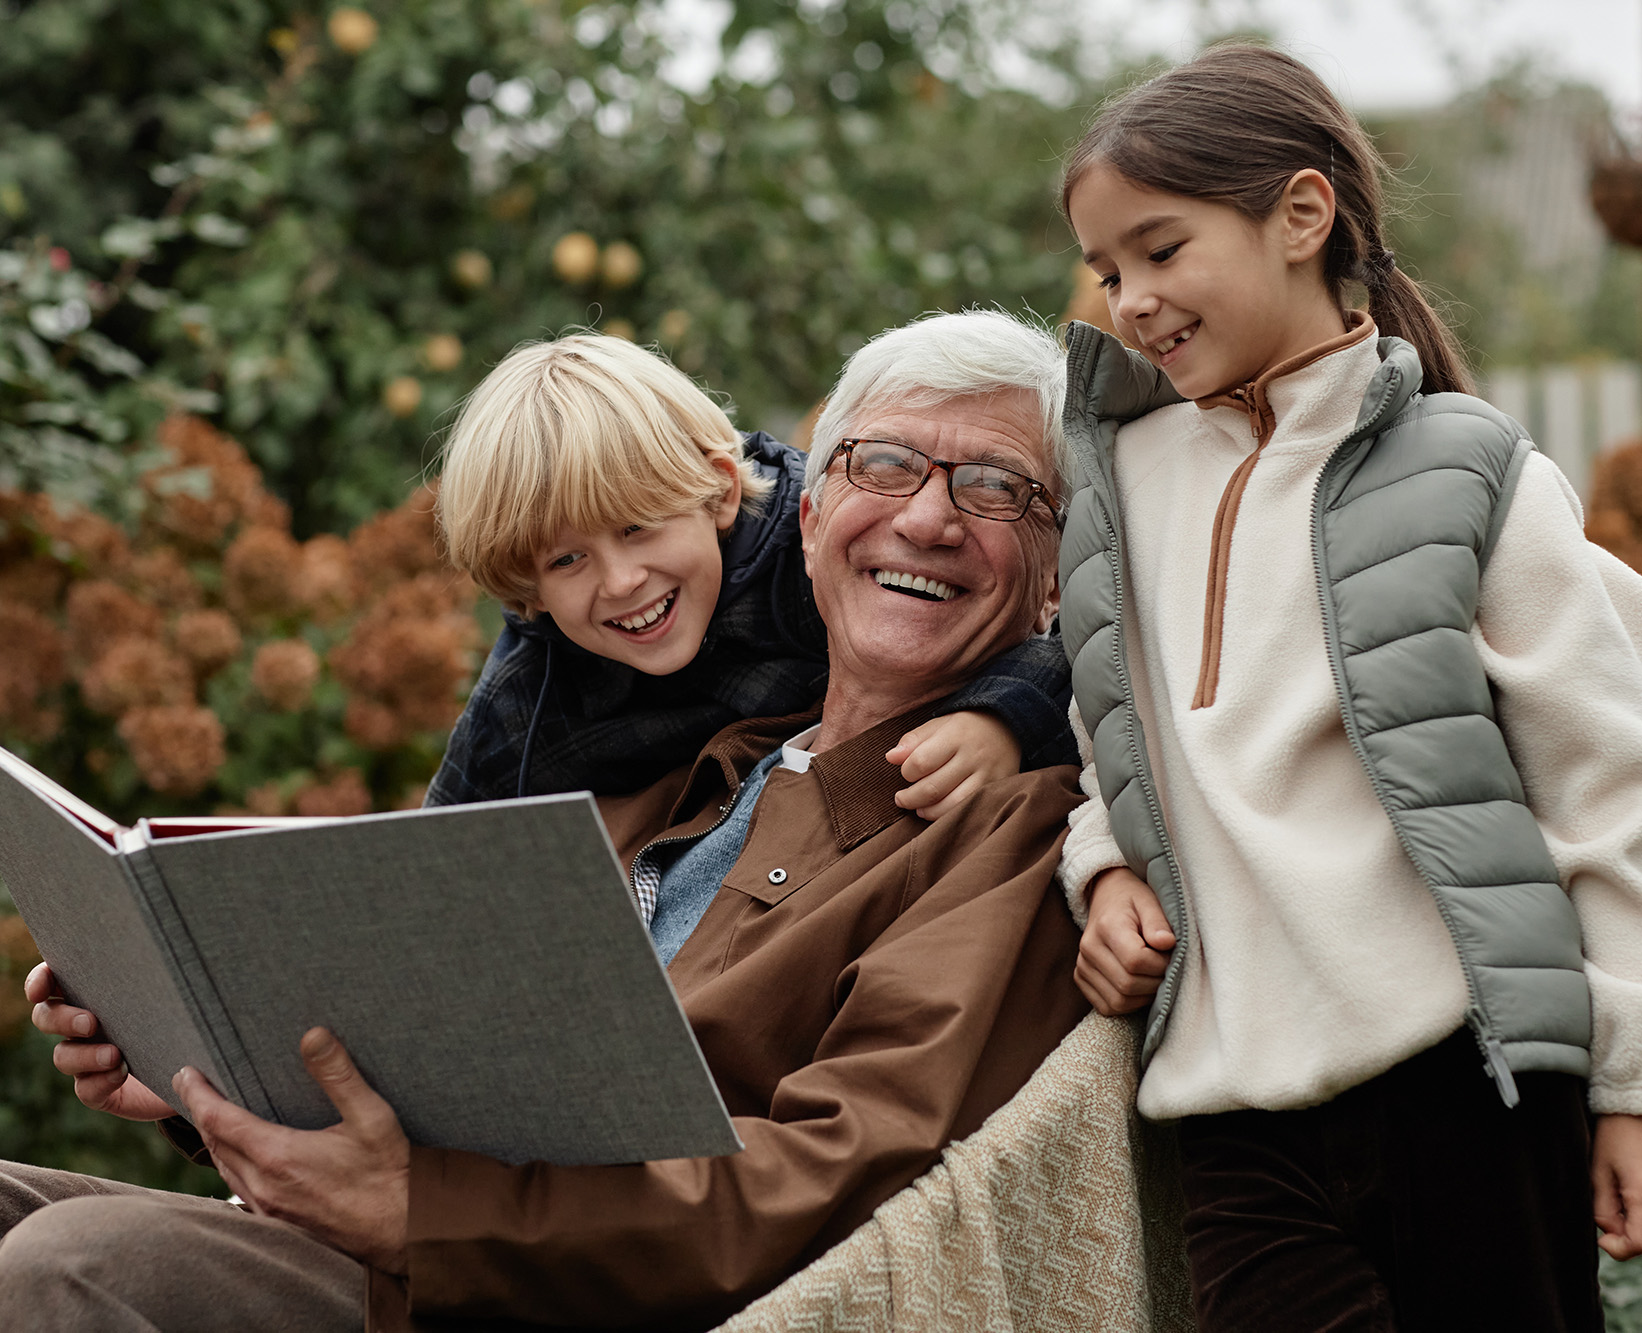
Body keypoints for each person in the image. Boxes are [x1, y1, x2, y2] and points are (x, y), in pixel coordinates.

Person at [7, 310, 1091, 1331]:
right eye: (885, 464)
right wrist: (202, 1073)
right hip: (403, 1236)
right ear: (808, 512)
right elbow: (437, 1036)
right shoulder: (684, 761)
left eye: (1000, 489)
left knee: (72, 1265)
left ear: (1058, 573)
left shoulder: (1009, 825)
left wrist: (421, 1212)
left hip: (523, 1286)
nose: (928, 515)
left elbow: (842, 1171)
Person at [1053, 42, 1642, 1332]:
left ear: (1301, 217)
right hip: (1229, 1106)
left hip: (1471, 1086)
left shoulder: (1473, 469)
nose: (1131, 299)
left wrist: (1626, 1082)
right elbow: (1108, 739)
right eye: (1108, 272)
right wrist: (1101, 865)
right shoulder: (1122, 484)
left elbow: (1602, 793)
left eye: (1160, 249)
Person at [425, 333, 1079, 819]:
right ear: (529, 590)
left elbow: (1072, 638)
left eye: (638, 527)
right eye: (566, 559)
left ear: (720, 490)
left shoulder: (825, 539)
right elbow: (432, 861)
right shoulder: (530, 699)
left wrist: (1001, 717)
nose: (622, 580)